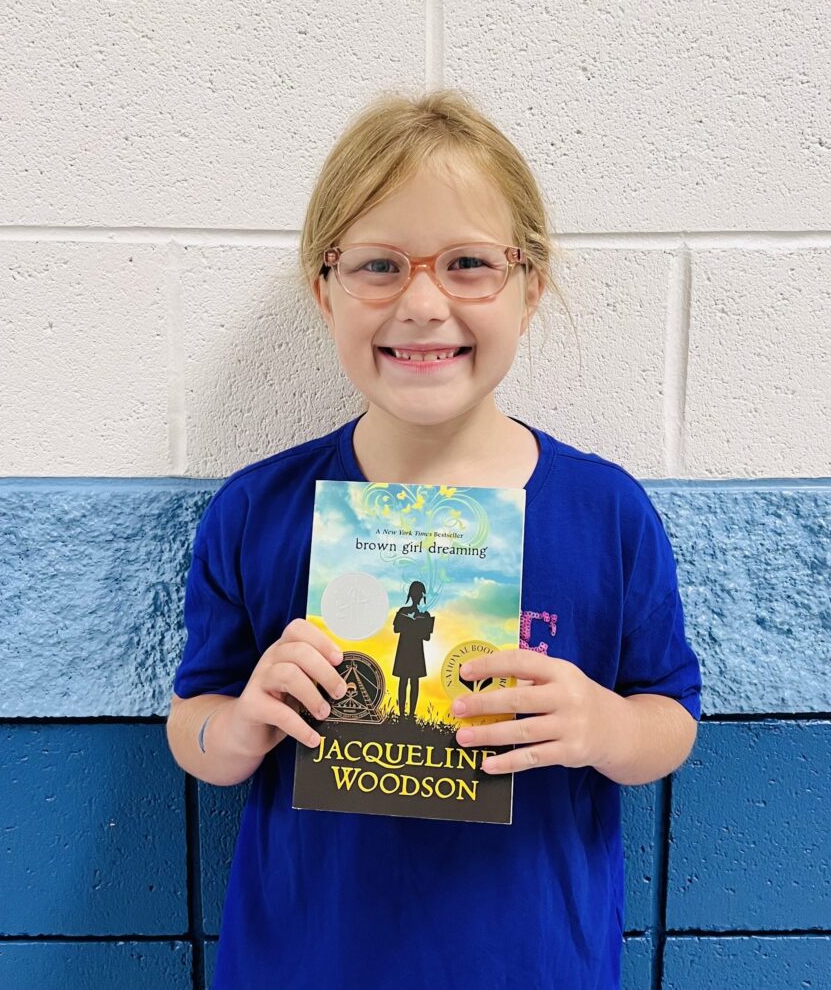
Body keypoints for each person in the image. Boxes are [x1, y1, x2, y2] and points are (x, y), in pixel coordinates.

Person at [166, 88, 702, 990]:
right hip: (306, 965)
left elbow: (672, 720)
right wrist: (243, 723)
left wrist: (600, 722)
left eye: (467, 264)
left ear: (528, 287)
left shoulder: (606, 513)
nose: (422, 302)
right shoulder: (258, 510)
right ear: (322, 291)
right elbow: (196, 726)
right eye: (379, 265)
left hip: (532, 965)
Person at [391, 580, 433, 718]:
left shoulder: (425, 615)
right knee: (403, 681)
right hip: (404, 649)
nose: (417, 596)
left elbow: (427, 637)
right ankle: (402, 714)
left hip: (416, 651)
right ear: (411, 594)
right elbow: (396, 629)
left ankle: (411, 715)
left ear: (422, 596)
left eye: (419, 594)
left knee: (414, 681)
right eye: (415, 593)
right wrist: (409, 625)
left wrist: (416, 628)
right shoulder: (403, 611)